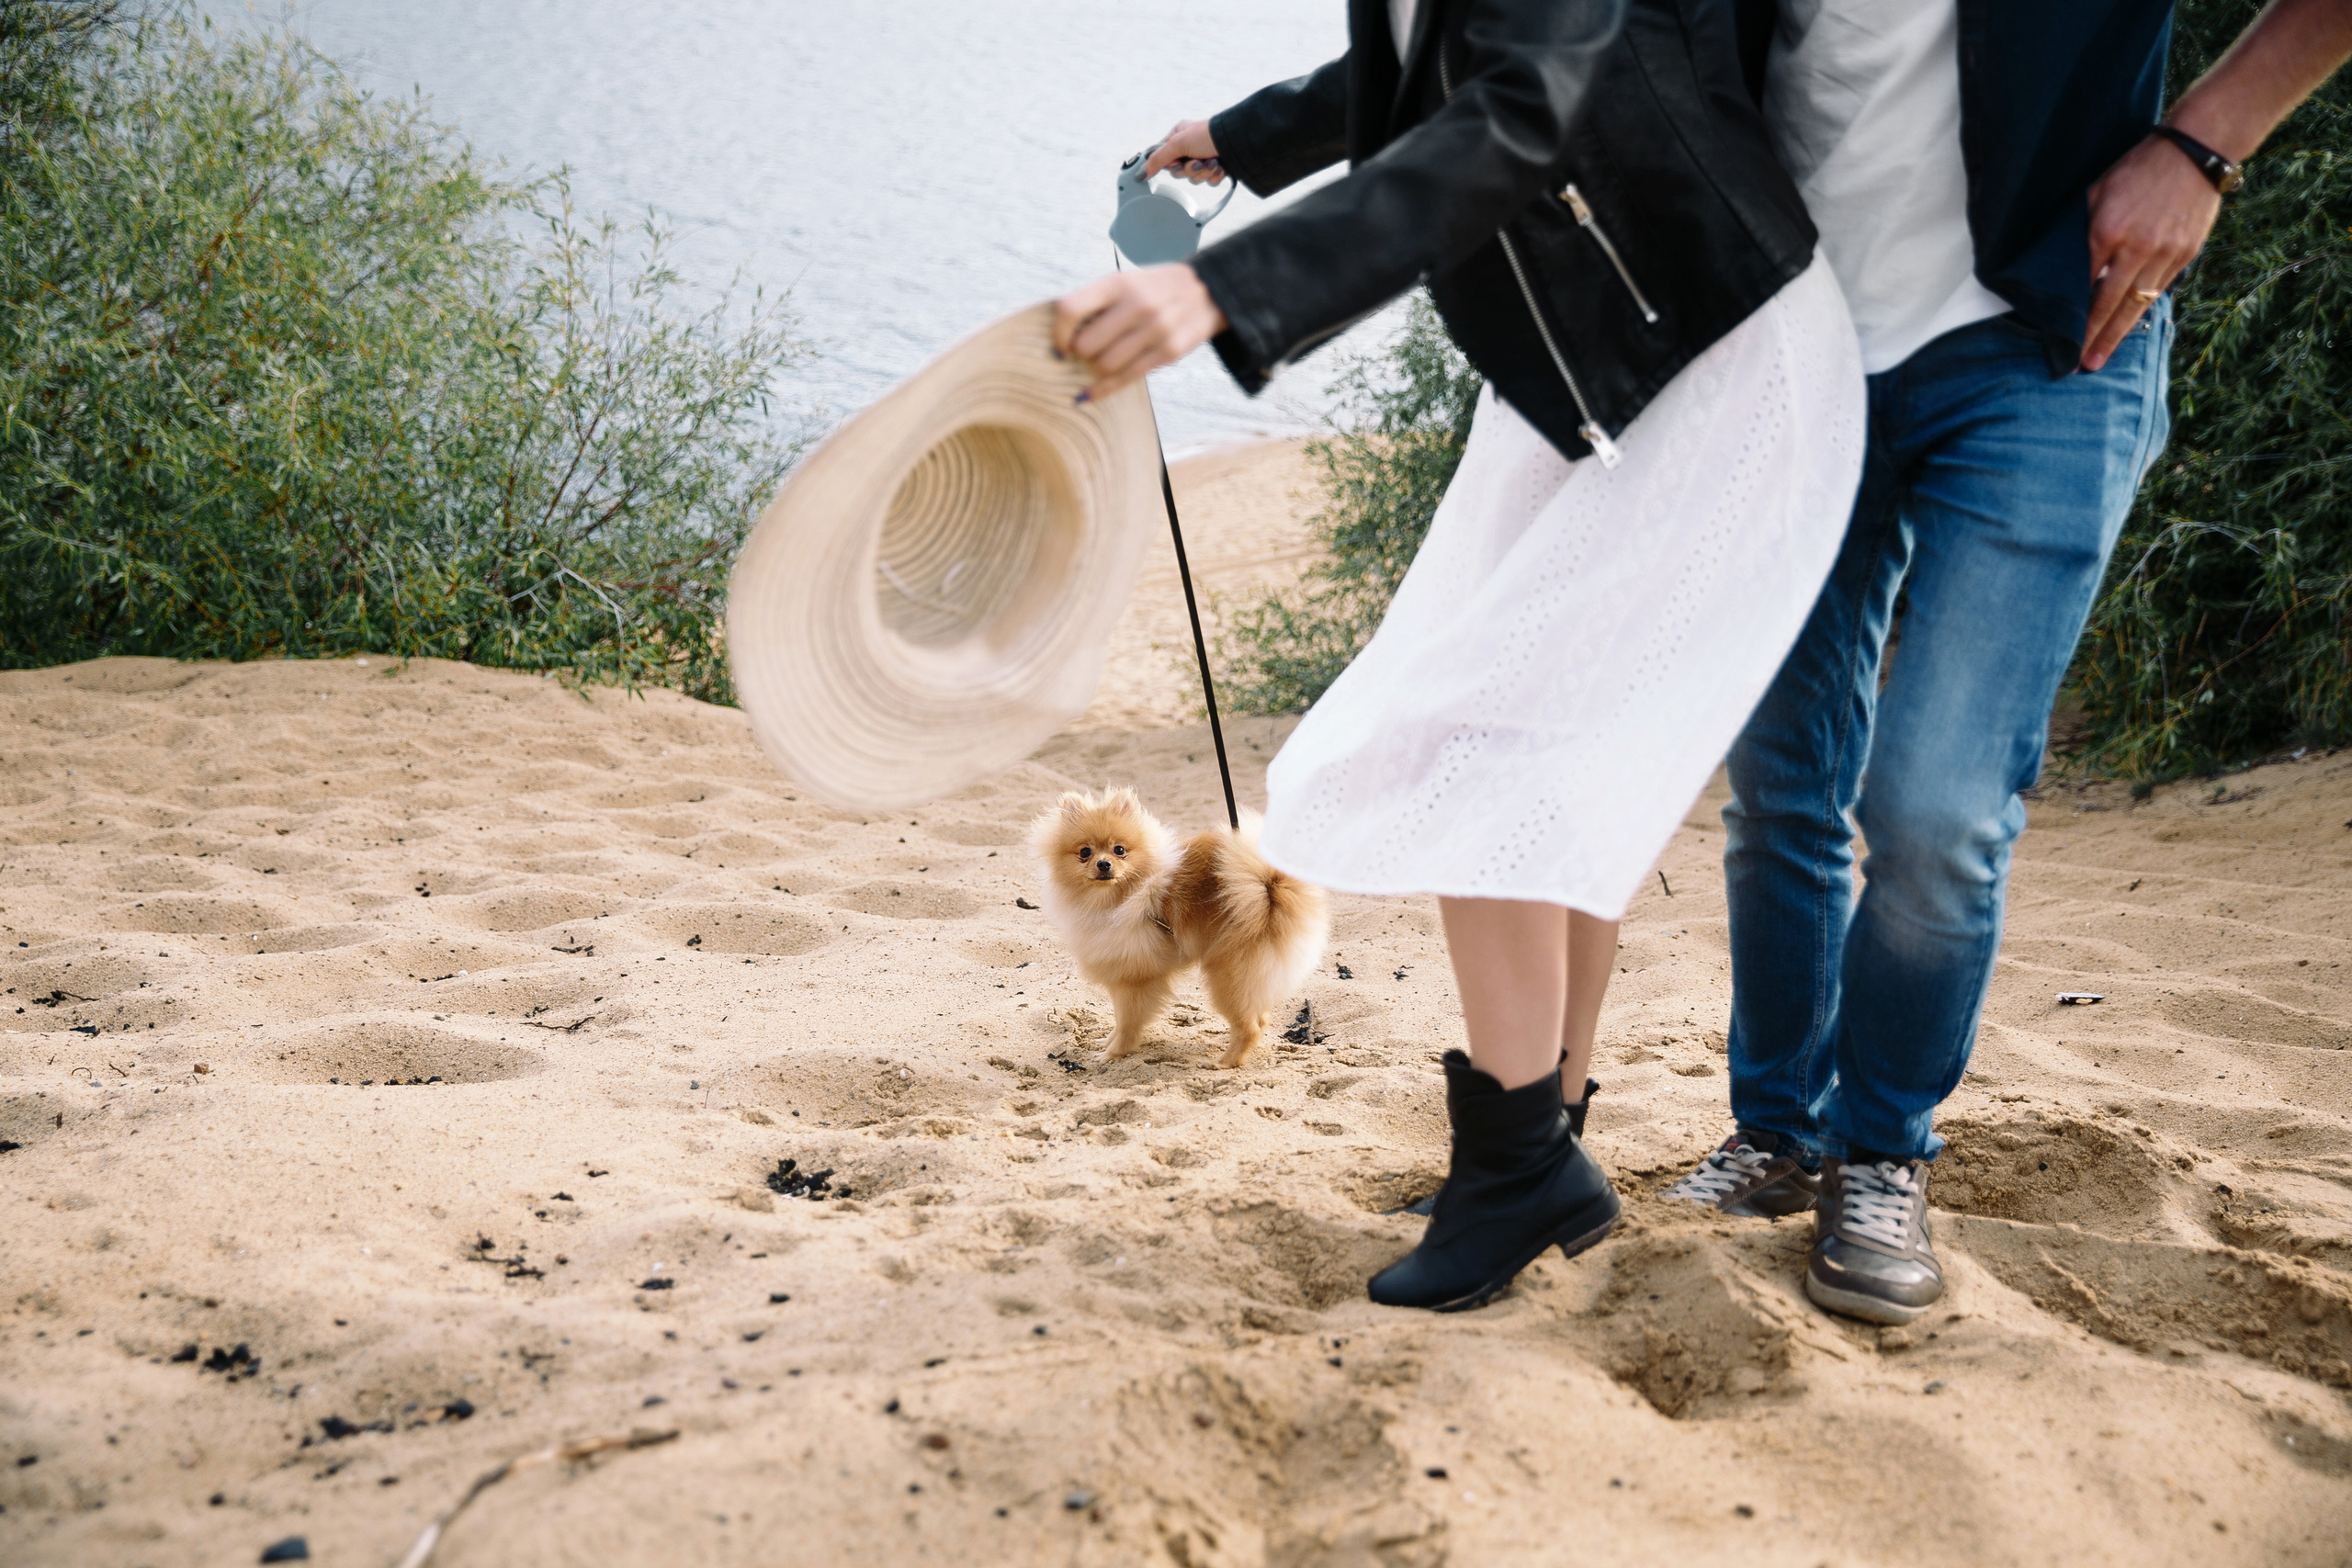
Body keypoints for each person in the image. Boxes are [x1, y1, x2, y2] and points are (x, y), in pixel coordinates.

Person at [1054, 0, 1868, 1313]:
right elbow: (1428, 54)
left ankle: (1520, 1162)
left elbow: (1514, 110)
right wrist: (1246, 137)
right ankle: (1547, 1136)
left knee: (1476, 738)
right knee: (1538, 751)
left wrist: (1226, 285)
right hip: (1581, 363)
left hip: (1700, 351)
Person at [1661, 0, 2352, 1325]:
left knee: (1937, 810)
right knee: (1782, 783)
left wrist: (2206, 142)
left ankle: (1880, 1154)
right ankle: (1780, 1134)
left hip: (2046, 338)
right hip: (1793, 349)